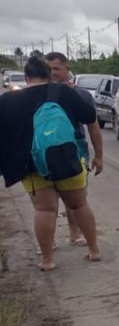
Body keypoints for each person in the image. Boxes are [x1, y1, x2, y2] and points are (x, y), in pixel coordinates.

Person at [0, 56, 103, 271]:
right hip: (66, 159)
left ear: (27, 77)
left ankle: (47, 260)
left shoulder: (8, 100)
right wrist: (98, 155)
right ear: (49, 75)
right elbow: (91, 119)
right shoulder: (64, 93)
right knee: (79, 204)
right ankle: (93, 250)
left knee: (45, 210)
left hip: (32, 165)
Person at [44, 51, 97, 247]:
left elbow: (92, 125)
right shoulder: (38, 92)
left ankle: (74, 233)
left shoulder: (81, 94)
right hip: (45, 149)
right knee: (46, 198)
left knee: (75, 197)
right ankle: (47, 241)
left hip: (75, 148)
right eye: (48, 69)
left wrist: (98, 155)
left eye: (56, 68)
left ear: (67, 68)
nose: (52, 73)